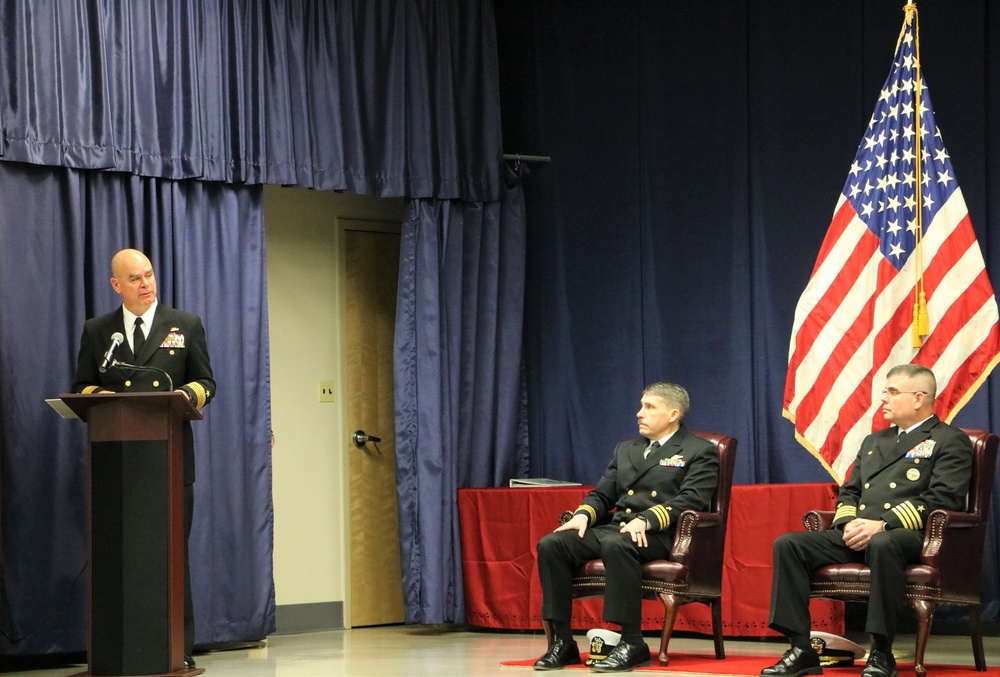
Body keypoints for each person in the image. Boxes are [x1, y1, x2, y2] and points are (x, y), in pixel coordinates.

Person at [762, 364, 973, 677]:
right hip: (862, 532)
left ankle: (881, 650)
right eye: (884, 391)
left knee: (883, 543)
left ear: (918, 399)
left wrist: (883, 523)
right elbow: (849, 493)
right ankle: (800, 648)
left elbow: (943, 499)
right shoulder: (874, 441)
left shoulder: (948, 440)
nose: (882, 399)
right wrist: (847, 524)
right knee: (790, 544)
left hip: (907, 536)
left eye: (891, 392)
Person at [73, 248, 216, 670]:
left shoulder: (183, 325)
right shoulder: (99, 331)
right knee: (118, 556)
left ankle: (178, 648)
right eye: (135, 278)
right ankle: (116, 649)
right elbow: (82, 383)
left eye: (149, 275)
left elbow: (206, 379)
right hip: (116, 464)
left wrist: (188, 395)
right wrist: (97, 397)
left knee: (172, 556)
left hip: (170, 465)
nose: (146, 284)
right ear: (117, 285)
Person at [534, 382, 719, 672]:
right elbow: (602, 494)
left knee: (616, 543)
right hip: (619, 528)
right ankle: (563, 642)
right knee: (552, 544)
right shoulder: (626, 449)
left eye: (649, 407)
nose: (639, 413)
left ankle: (632, 642)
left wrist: (646, 519)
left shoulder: (699, 451)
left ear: (672, 414)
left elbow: (691, 500)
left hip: (661, 534)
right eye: (641, 406)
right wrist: (583, 515)